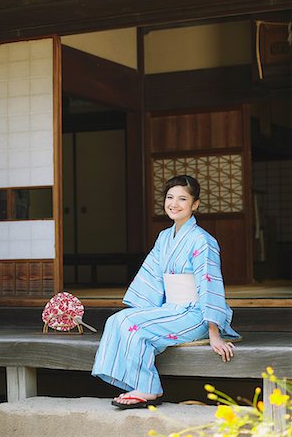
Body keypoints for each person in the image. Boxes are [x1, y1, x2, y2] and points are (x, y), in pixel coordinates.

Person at [92, 175, 241, 409]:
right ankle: (134, 382)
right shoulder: (164, 237)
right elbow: (151, 275)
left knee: (135, 326)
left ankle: (148, 388)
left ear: (195, 204)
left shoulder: (203, 240)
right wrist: (144, 310)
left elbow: (210, 283)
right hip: (171, 309)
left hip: (196, 313)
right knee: (117, 320)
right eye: (170, 197)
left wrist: (214, 331)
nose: (174, 203)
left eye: (182, 198)